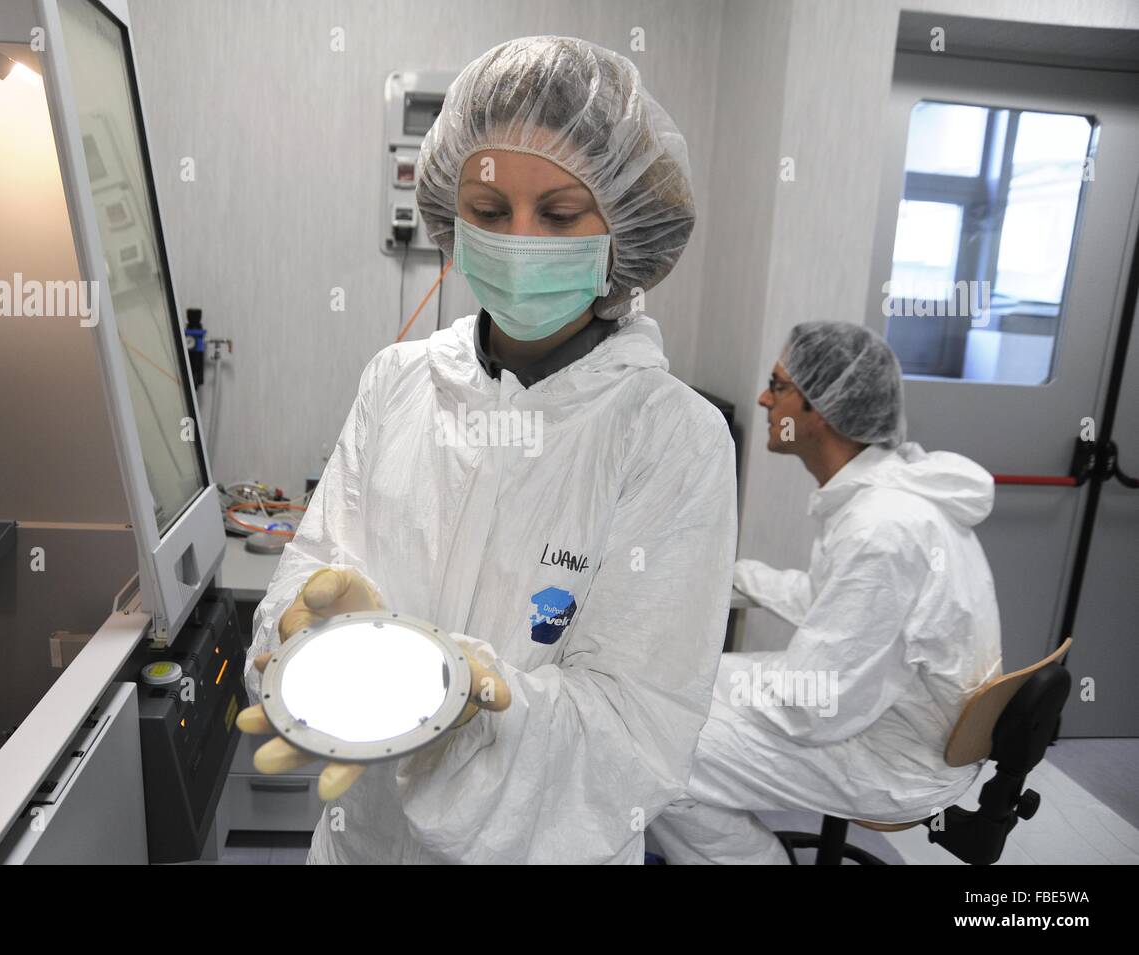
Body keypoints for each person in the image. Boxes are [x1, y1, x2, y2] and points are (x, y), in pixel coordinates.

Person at [237, 36, 738, 864]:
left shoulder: (670, 438)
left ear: (624, 227)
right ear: (450, 215)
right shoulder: (398, 381)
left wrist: (465, 694)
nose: (521, 240)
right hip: (358, 842)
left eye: (562, 214)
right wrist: (300, 644)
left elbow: (636, 729)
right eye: (491, 210)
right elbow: (314, 570)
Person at [650, 321, 1003, 864]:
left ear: (823, 410)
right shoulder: (885, 498)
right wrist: (732, 575)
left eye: (779, 385)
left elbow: (813, 707)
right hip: (898, 717)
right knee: (676, 688)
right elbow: (829, 603)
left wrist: (684, 692)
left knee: (653, 741)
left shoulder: (882, 527)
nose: (764, 398)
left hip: (897, 758)